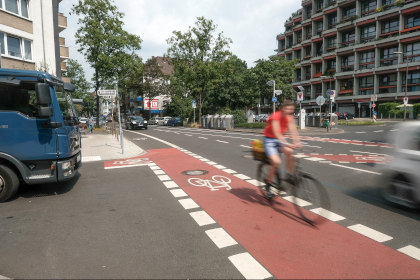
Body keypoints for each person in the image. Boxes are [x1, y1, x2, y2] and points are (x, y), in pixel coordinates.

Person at [263, 100, 302, 198]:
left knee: (290, 152)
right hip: (270, 140)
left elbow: (293, 130)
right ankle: (268, 184)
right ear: (282, 109)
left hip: (280, 140)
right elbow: (277, 132)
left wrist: (297, 142)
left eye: (292, 109)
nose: (290, 111)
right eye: (287, 108)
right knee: (276, 162)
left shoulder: (290, 118)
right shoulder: (276, 116)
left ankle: (289, 176)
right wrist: (287, 143)